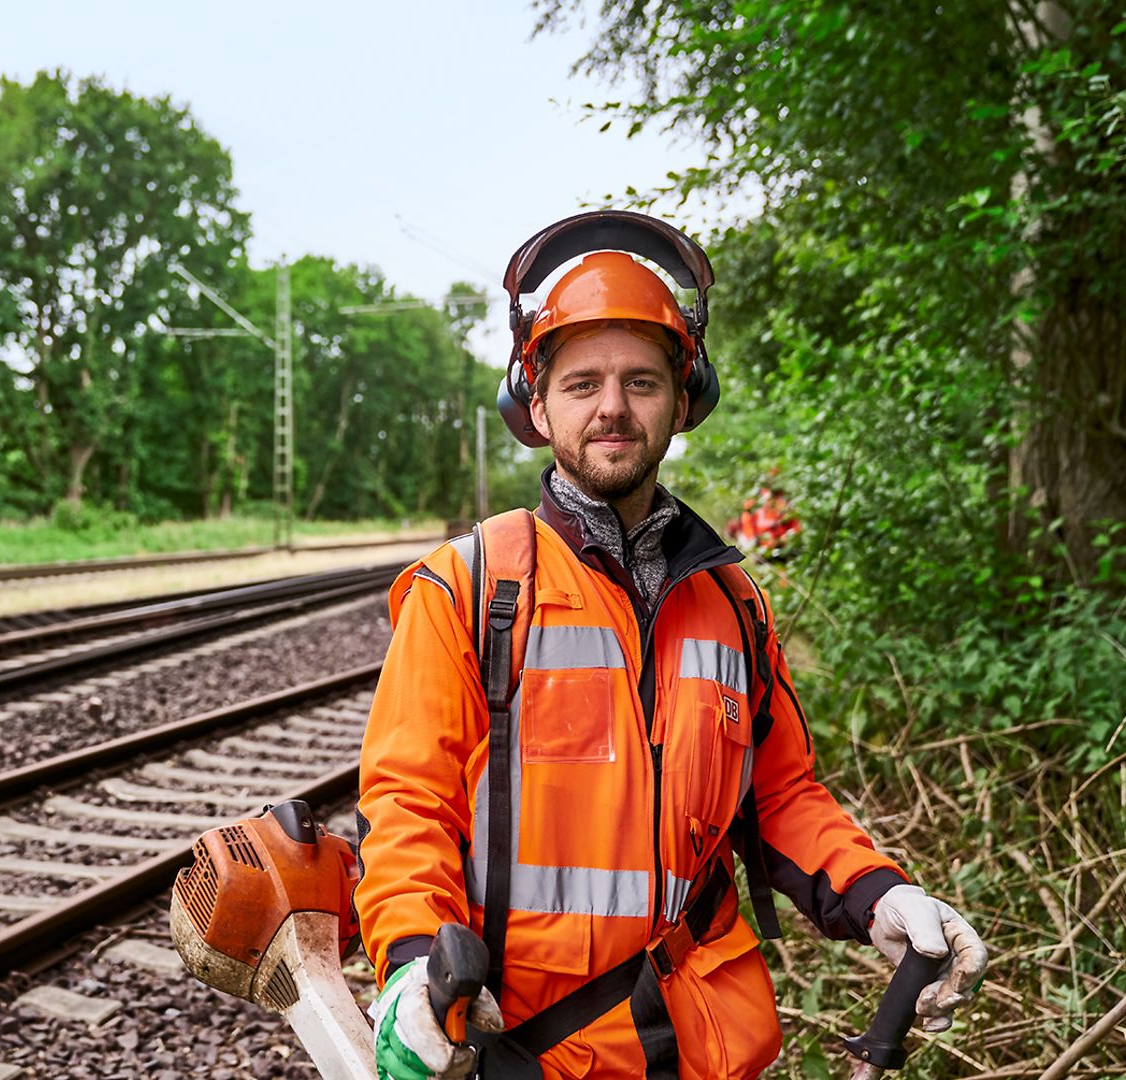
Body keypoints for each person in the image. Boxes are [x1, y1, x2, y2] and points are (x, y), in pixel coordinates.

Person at [356, 212, 986, 1079]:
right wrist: (408, 967)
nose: (612, 407)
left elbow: (781, 796)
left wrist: (883, 894)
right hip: (529, 1049)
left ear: (685, 398)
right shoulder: (468, 589)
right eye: (581, 384)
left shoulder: (731, 602)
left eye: (641, 381)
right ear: (534, 406)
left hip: (706, 1041)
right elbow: (407, 807)